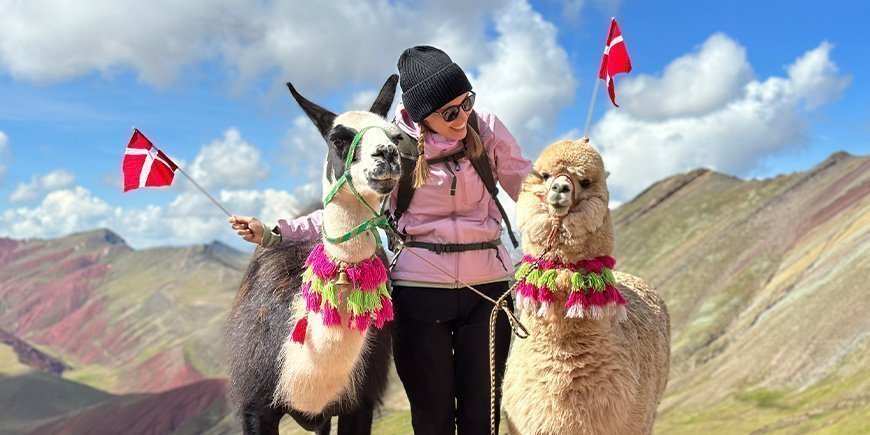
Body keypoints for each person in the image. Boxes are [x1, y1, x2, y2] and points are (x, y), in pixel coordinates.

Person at [230, 45, 532, 435]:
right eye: (450, 111)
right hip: (421, 293)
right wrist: (276, 233)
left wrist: (561, 190)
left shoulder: (484, 127)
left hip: (488, 292)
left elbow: (525, 183)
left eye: (467, 102)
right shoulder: (391, 149)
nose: (463, 117)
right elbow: (346, 209)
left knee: (483, 416)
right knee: (432, 417)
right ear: (423, 115)